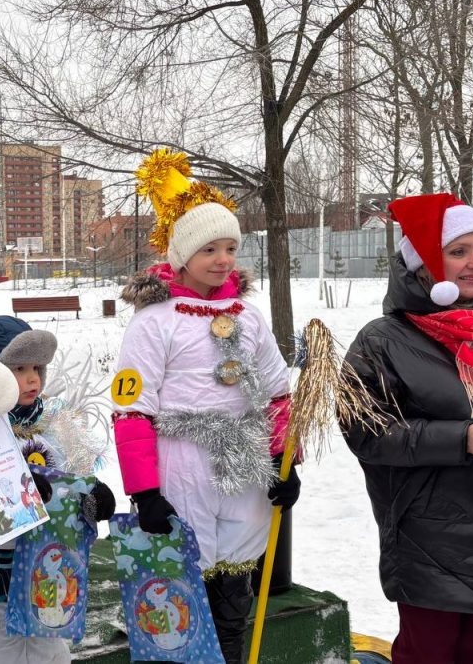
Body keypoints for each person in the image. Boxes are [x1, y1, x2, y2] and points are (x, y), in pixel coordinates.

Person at [342, 193, 473, 664]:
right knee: (429, 651)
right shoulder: (383, 340)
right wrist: (461, 439)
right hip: (432, 529)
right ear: (423, 264)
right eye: (458, 251)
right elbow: (365, 431)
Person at [112, 149, 301, 663]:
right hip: (181, 463)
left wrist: (286, 463)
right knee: (182, 595)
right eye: (210, 249)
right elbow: (131, 409)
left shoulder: (251, 317)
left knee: (234, 591)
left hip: (242, 463)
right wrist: (145, 490)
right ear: (182, 255)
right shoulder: (155, 321)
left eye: (230, 248)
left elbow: (277, 393)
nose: (222, 259)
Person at [0, 315, 116, 662]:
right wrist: (5, 497)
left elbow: (73, 485)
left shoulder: (57, 427)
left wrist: (94, 499)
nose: (31, 379)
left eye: (36, 367)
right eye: (17, 368)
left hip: (48, 580)